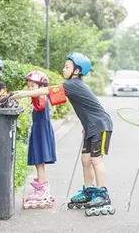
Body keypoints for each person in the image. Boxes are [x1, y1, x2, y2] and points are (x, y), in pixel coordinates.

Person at [12, 52, 115, 216]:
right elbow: (85, 105)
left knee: (96, 159)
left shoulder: (73, 84)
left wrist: (23, 94)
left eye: (67, 67)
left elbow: (46, 90)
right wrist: (86, 125)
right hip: (91, 127)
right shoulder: (73, 85)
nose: (63, 69)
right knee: (85, 159)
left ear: (77, 71)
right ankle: (89, 191)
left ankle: (103, 194)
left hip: (101, 125)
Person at [22, 70, 56, 209]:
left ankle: (42, 189)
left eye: (33, 86)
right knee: (38, 161)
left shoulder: (42, 97)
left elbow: (41, 104)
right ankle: (41, 185)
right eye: (28, 86)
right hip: (38, 129)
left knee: (40, 160)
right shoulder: (38, 97)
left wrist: (38, 93)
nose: (30, 89)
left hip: (41, 130)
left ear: (41, 87)